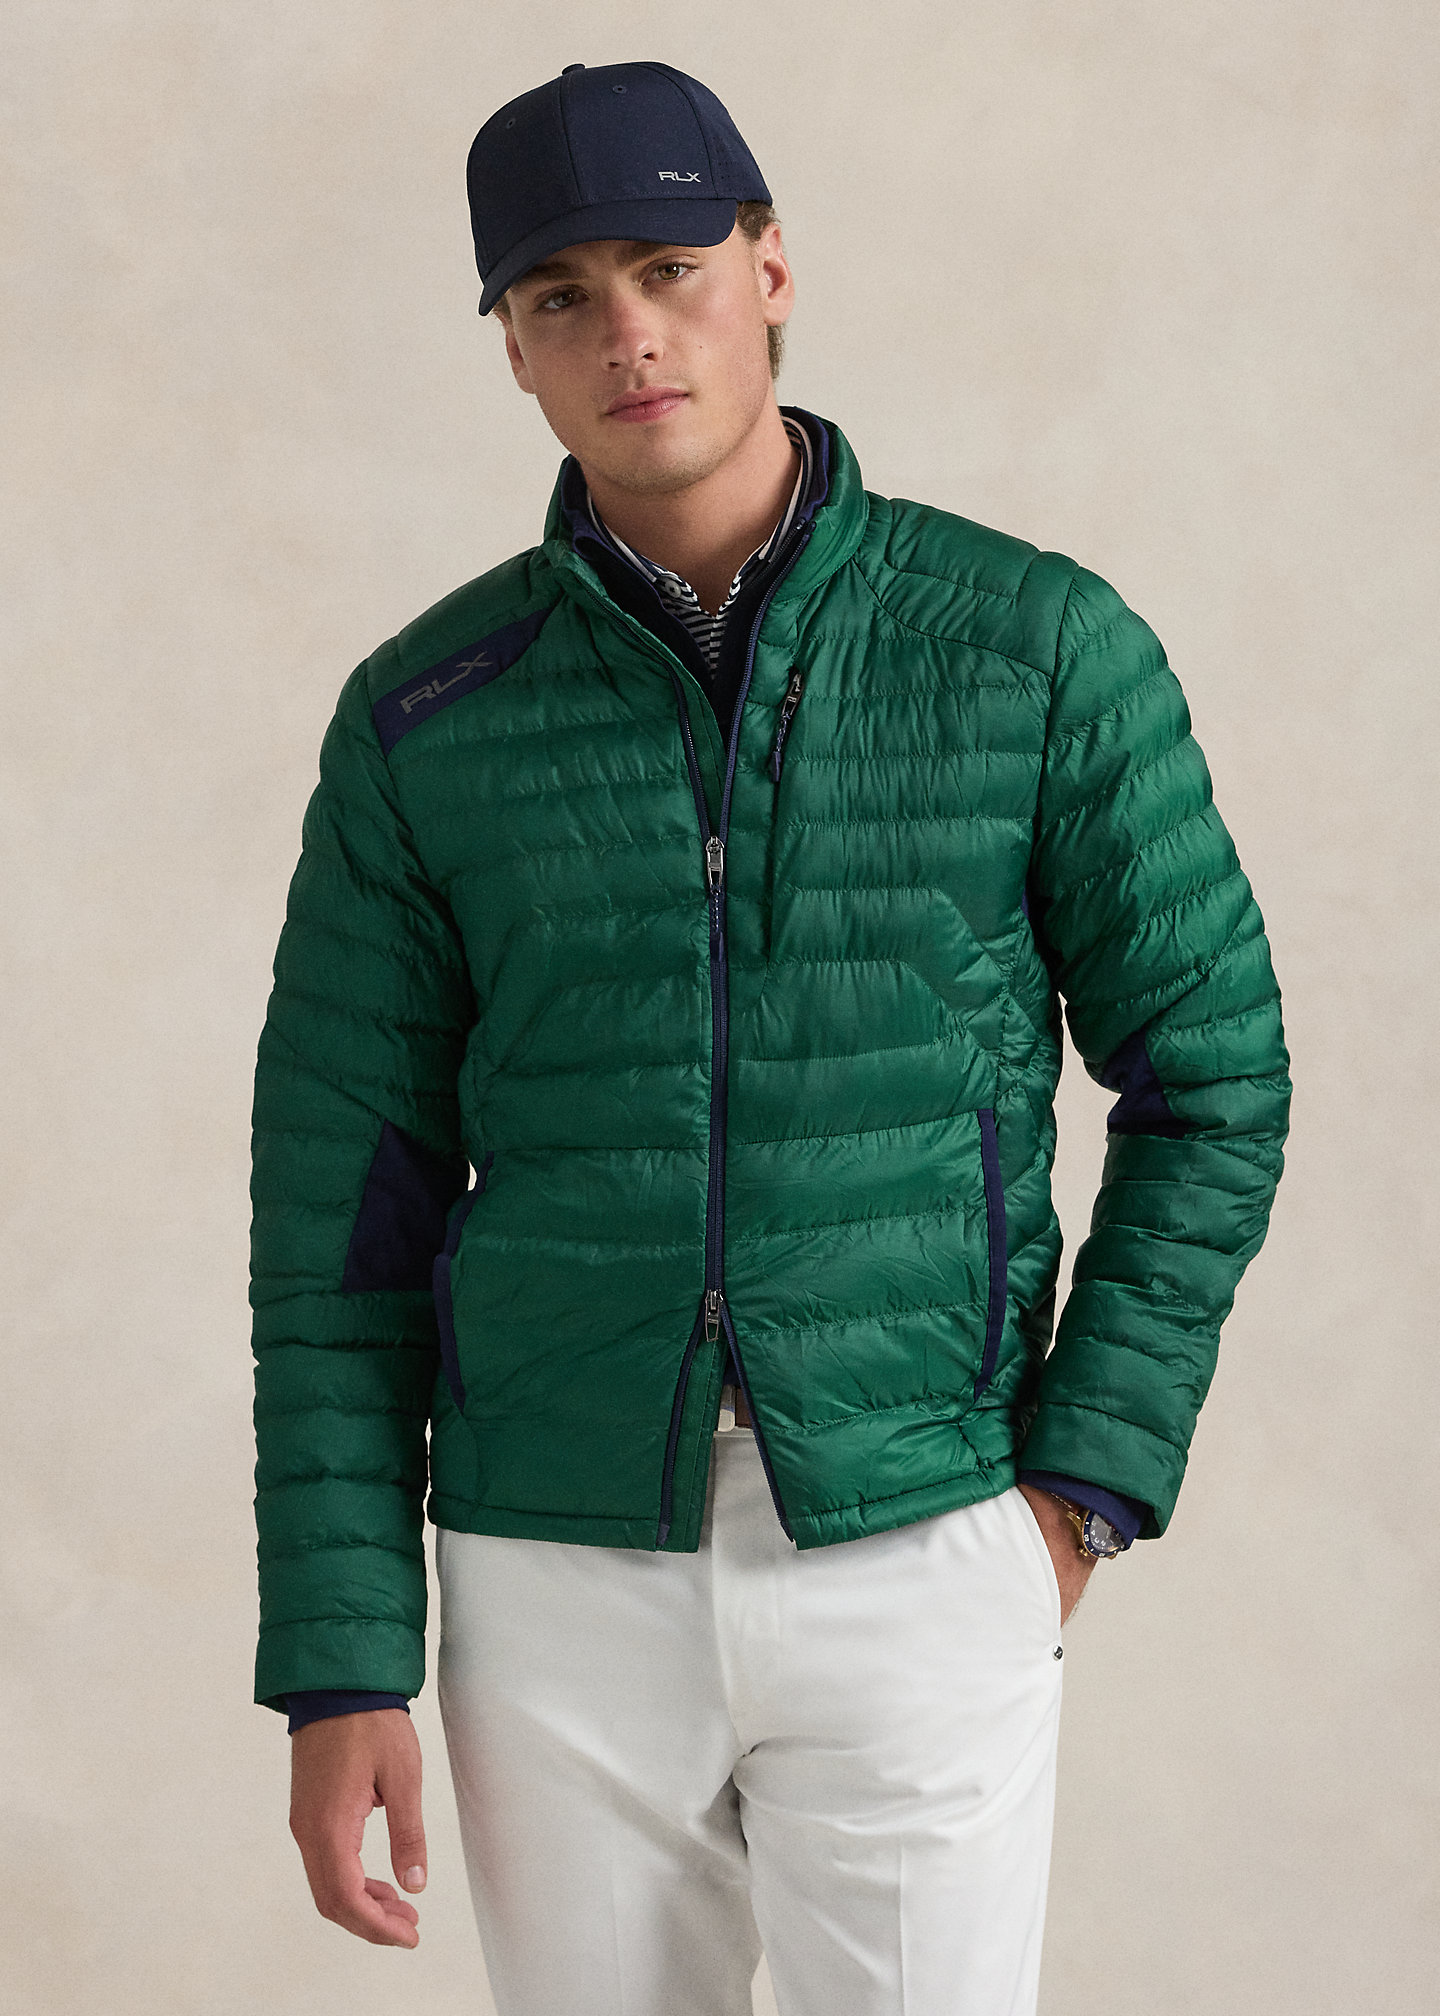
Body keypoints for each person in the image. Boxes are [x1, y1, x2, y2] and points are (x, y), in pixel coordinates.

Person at [251, 58, 1291, 2016]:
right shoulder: (428, 718)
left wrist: (1075, 1495)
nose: (629, 332)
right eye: (561, 295)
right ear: (513, 351)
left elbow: (1214, 1075)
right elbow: (342, 1213)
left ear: (771, 270)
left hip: (921, 1535)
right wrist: (340, 1657)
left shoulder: (1032, 650)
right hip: (553, 1573)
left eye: (669, 267)